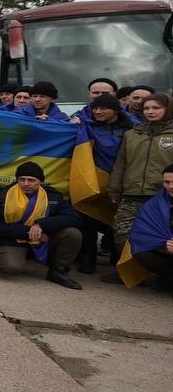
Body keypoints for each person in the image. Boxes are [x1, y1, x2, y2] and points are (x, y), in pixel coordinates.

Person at [0, 161, 84, 289]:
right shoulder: (2, 197)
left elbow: (75, 218)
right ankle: (17, 257)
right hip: (13, 240)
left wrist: (42, 224)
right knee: (12, 268)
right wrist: (29, 232)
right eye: (21, 179)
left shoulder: (52, 196)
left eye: (31, 180)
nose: (26, 184)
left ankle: (58, 271)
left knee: (73, 233)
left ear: (40, 182)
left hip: (44, 238)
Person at [108, 93, 173, 260]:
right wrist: (115, 190)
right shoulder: (132, 134)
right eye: (146, 108)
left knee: (159, 236)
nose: (150, 111)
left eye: (156, 108)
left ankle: (160, 273)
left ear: (167, 109)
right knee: (122, 233)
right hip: (132, 193)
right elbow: (121, 164)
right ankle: (128, 273)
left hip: (163, 195)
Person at [74, 94, 131, 273]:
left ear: (115, 111)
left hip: (121, 182)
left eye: (103, 108)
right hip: (93, 182)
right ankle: (88, 258)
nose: (98, 112)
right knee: (88, 221)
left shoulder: (132, 129)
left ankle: (118, 261)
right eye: (95, 108)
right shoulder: (84, 125)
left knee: (117, 224)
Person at [115, 164, 173, 290]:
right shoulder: (155, 203)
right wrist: (165, 247)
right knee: (141, 252)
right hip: (168, 249)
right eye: (167, 182)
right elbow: (145, 234)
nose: (171, 186)